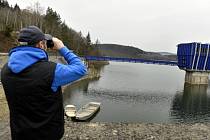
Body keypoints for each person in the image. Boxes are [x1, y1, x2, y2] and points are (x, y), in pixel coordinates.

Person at [1, 26, 87, 140]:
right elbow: (81, 69)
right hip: (47, 134)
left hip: (19, 133)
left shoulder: (6, 69)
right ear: (41, 44)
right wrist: (62, 47)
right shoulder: (51, 71)